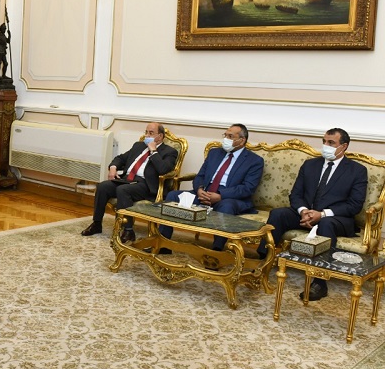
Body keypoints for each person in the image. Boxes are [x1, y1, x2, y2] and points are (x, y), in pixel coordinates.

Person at [257, 128, 368, 301]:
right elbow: (295, 194)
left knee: (325, 224)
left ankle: (319, 283)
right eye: (324, 141)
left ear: (344, 146)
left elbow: (354, 205)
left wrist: (322, 214)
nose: (326, 146)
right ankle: (263, 263)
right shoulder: (310, 165)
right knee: (278, 214)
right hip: (306, 213)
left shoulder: (357, 170)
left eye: (331, 143)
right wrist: (303, 211)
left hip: (335, 219)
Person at [158, 124, 263, 253]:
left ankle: (216, 252)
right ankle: (162, 244)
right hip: (204, 193)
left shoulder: (254, 161)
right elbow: (200, 176)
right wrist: (199, 190)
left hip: (229, 198)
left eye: (230, 136)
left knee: (226, 206)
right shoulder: (215, 153)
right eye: (225, 135)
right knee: (173, 196)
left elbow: (247, 188)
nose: (226, 139)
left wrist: (220, 195)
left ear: (242, 140)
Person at [81, 122, 178, 241]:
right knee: (102, 186)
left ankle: (128, 230)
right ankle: (96, 224)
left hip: (145, 185)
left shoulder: (169, 152)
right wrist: (113, 168)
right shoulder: (138, 146)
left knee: (123, 190)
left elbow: (163, 169)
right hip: (127, 180)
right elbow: (120, 158)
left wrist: (153, 151)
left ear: (160, 136)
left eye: (151, 133)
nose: (147, 135)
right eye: (146, 132)